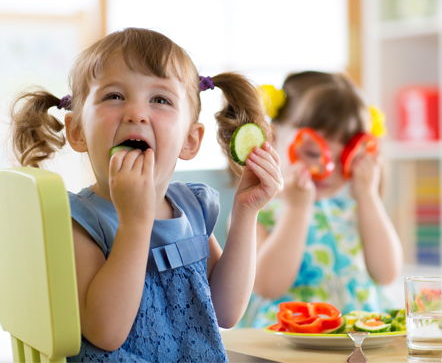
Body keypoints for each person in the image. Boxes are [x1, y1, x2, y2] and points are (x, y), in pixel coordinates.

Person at [9, 27, 283, 362]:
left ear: (190, 141)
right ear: (77, 131)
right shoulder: (77, 219)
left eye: (160, 100)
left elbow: (225, 311)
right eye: (114, 96)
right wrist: (135, 222)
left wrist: (245, 213)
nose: (136, 113)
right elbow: (106, 332)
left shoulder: (192, 208)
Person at [244, 72, 403, 328]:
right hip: (292, 335)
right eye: (311, 152)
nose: (327, 169)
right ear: (272, 137)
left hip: (358, 333)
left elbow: (387, 273)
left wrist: (369, 197)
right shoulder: (256, 209)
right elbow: (267, 286)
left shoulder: (354, 208)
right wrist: (297, 208)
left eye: (344, 159)